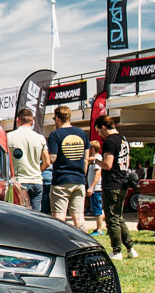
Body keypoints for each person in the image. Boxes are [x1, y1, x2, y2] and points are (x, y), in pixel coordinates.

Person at [44, 106, 90, 229]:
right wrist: (83, 177)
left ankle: (60, 245)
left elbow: (52, 158)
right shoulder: (81, 133)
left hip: (61, 180)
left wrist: (43, 159)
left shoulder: (55, 135)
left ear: (57, 118)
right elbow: (86, 158)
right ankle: (84, 242)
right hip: (79, 180)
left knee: (59, 218)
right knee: (79, 217)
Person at [99, 114, 138, 259]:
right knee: (119, 216)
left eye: (99, 131)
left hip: (112, 183)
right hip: (123, 181)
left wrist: (96, 161)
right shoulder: (123, 139)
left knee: (112, 218)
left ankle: (116, 250)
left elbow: (108, 164)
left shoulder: (110, 142)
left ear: (103, 127)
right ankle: (130, 248)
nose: (100, 135)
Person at [7, 108, 47, 210]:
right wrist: (38, 170)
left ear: (17, 120)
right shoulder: (40, 138)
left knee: (18, 215)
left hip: (18, 181)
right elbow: (47, 161)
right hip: (36, 180)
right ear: (32, 122)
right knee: (36, 216)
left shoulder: (9, 137)